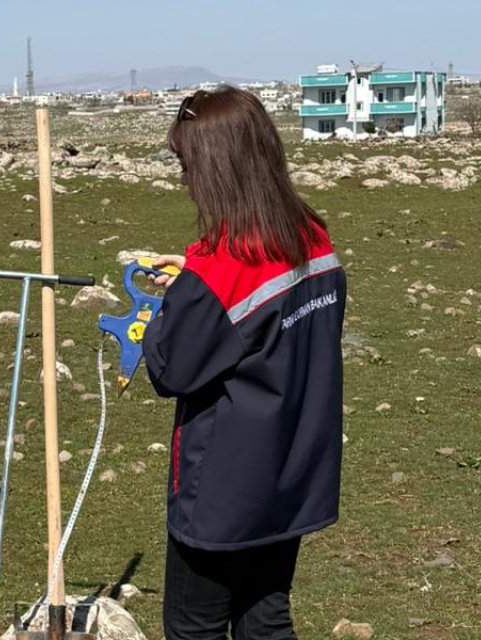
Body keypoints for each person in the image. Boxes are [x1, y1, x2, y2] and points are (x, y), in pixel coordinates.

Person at [141, 86, 347, 640]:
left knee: (193, 627)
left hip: (223, 495)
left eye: (187, 163)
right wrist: (190, 284)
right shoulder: (311, 236)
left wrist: (170, 308)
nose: (185, 178)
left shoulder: (220, 267)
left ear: (213, 166)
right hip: (292, 477)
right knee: (265, 618)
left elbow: (170, 369)